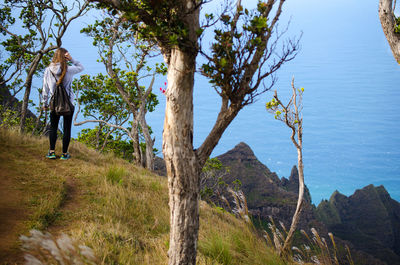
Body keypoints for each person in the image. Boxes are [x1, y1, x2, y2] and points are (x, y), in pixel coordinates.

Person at [42, 48, 84, 160]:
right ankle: (64, 154)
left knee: (53, 127)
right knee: (67, 128)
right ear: (65, 57)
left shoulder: (48, 70)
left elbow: (45, 88)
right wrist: (72, 59)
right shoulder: (69, 69)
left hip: (54, 103)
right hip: (68, 104)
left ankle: (51, 152)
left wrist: (44, 102)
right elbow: (81, 67)